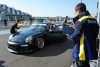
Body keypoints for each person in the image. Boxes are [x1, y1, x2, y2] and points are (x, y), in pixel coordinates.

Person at [66, 3, 99, 67]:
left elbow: (76, 36)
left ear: (78, 11)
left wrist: (69, 36)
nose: (76, 14)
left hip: (81, 52)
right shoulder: (94, 20)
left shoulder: (81, 20)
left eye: (75, 12)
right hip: (90, 51)